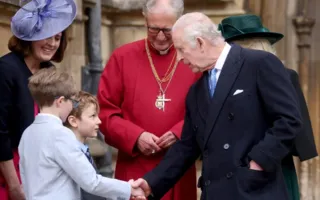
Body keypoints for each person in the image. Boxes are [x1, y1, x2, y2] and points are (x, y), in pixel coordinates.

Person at [132, 12, 303, 200]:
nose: (179, 58)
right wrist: (150, 183)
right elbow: (186, 147)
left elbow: (289, 120)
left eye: (181, 49)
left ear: (200, 43)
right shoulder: (196, 92)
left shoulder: (259, 63)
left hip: (255, 191)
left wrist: (258, 162)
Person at [97, 0, 198, 200]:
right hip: (135, 167)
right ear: (145, 21)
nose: (160, 37)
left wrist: (180, 132)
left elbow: (208, 109)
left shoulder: (193, 57)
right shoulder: (123, 57)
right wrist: (136, 137)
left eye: (167, 30)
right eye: (154, 29)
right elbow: (105, 112)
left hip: (179, 167)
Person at [218, 14, 318, 200]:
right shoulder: (219, 81)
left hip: (274, 168)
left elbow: (294, 129)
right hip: (233, 170)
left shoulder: (285, 76)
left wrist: (260, 158)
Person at [18, 67, 146, 200]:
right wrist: (128, 189)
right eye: (71, 101)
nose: (72, 106)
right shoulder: (61, 134)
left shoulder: (27, 134)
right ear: (61, 101)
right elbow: (91, 182)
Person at [0, 0, 75, 199]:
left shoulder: (49, 71)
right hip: (9, 172)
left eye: (57, 37)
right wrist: (14, 185)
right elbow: (0, 132)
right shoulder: (6, 69)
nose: (52, 43)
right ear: (31, 35)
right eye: (46, 36)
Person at [64, 91, 106, 200]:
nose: (99, 121)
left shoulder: (83, 150)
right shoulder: (71, 154)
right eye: (93, 116)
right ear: (73, 121)